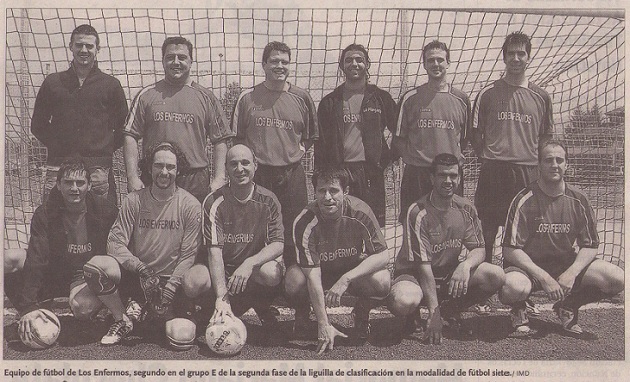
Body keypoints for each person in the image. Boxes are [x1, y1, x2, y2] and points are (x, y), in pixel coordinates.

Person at [499, 141, 623, 336]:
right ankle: (519, 308)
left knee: (616, 278)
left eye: (559, 160)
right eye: (548, 160)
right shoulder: (524, 199)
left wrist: (572, 273)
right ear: (539, 165)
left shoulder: (579, 199)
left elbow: (590, 245)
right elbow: (510, 249)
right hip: (529, 268)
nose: (554, 165)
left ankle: (568, 306)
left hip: (563, 264)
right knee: (511, 286)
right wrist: (544, 277)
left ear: (567, 164)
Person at [83, 142, 201, 346]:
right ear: (149, 168)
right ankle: (123, 318)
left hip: (171, 281)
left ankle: (160, 309)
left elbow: (189, 254)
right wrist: (141, 268)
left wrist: (171, 288)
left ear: (178, 169)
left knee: (181, 338)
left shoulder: (190, 205)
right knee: (96, 265)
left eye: (170, 167)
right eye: (158, 165)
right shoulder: (134, 200)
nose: (164, 172)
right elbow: (114, 243)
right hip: (140, 276)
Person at [470, 32, 554, 314]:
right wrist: (490, 157)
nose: (516, 58)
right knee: (487, 232)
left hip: (527, 172)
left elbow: (544, 138)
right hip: (494, 170)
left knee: (521, 236)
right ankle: (481, 292)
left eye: (521, 54)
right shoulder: (488, 92)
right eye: (511, 53)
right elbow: (475, 134)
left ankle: (518, 292)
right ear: (503, 56)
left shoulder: (541, 96)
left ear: (529, 57)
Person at [387, 153, 505, 344]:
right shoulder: (418, 211)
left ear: (459, 178)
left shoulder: (466, 208)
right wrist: (434, 313)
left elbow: (479, 250)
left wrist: (465, 265)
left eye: (453, 175)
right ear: (432, 178)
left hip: (447, 274)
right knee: (404, 300)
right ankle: (414, 314)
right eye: (442, 175)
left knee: (496, 275)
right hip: (415, 275)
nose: (448, 181)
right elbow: (423, 267)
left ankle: (451, 309)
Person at [4, 158, 118, 342]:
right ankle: (33, 311)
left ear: (89, 186)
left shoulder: (106, 211)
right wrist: (28, 305)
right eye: (68, 183)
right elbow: (38, 257)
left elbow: (115, 254)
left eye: (80, 183)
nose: (74, 188)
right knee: (8, 259)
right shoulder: (45, 213)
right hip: (53, 271)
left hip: (83, 275)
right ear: (58, 185)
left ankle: (113, 309)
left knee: (83, 308)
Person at [182, 144, 284, 340]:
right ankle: (206, 309)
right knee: (192, 282)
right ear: (226, 168)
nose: (240, 169)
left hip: (250, 271)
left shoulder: (269, 200)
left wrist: (250, 263)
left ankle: (261, 307)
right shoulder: (214, 201)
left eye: (245, 163)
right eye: (233, 164)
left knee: (272, 272)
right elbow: (214, 251)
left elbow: (278, 244)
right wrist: (222, 296)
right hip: (221, 267)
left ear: (255, 165)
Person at [231, 41, 318, 270]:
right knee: (256, 228)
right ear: (264, 64)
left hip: (291, 173)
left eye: (285, 62)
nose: (280, 66)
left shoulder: (302, 97)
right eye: (274, 61)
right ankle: (258, 281)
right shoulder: (248, 98)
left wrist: (298, 151)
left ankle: (293, 280)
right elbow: (237, 138)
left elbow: (311, 136)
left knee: (294, 227)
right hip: (258, 175)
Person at [285, 167, 391, 354]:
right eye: (321, 191)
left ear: (346, 192)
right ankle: (303, 315)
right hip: (318, 272)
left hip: (348, 270)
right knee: (293, 280)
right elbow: (313, 276)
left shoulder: (361, 211)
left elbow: (384, 256)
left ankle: (361, 311)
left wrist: (346, 279)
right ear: (314, 192)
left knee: (382, 280)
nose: (327, 197)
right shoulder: (304, 221)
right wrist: (323, 323)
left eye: (333, 190)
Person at [124, 36, 233, 202]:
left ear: (191, 61)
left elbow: (220, 140)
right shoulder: (146, 95)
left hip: (194, 178)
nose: (176, 62)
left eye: (182, 57)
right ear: (162, 61)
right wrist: (132, 177)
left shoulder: (206, 97)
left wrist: (219, 177)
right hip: (156, 175)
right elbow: (130, 135)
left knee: (193, 227)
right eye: (170, 57)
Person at [31, 24, 128, 204]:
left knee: (101, 221)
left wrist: (101, 148)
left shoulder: (111, 85)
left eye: (89, 46)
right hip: (59, 162)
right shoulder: (53, 82)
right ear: (71, 47)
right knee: (53, 220)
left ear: (97, 49)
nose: (84, 50)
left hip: (98, 168)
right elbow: (38, 125)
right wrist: (59, 145)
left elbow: (123, 128)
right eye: (79, 45)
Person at [315, 43, 397, 226]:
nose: (354, 64)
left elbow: (400, 131)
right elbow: (320, 144)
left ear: (367, 64)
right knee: (341, 224)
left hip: (370, 173)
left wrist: (385, 158)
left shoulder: (380, 98)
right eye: (349, 60)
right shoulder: (330, 102)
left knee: (371, 225)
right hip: (340, 173)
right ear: (342, 65)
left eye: (359, 60)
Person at [393, 40, 470, 224]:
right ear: (424, 64)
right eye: (431, 60)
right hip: (418, 174)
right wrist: (416, 160)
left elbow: (465, 139)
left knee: (450, 226)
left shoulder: (461, 99)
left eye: (440, 60)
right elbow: (399, 140)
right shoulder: (410, 98)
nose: (436, 64)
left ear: (448, 63)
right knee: (413, 226)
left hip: (449, 174)